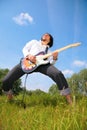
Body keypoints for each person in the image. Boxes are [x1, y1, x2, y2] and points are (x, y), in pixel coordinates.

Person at [2, 33, 72, 104]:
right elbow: (25, 48)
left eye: (47, 35)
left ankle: (69, 100)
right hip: (27, 62)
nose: (45, 35)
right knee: (6, 80)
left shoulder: (49, 52)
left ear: (49, 40)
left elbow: (51, 63)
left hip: (42, 65)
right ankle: (9, 96)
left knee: (57, 73)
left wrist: (54, 57)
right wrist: (29, 55)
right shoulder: (34, 42)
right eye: (44, 34)